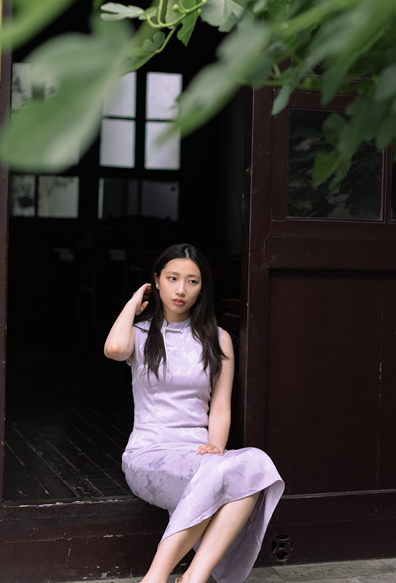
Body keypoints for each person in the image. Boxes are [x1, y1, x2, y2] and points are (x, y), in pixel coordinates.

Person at [104, 244, 284, 583]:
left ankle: (193, 578)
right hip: (150, 454)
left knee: (257, 464)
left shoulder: (218, 339)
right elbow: (114, 349)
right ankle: (155, 577)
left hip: (200, 455)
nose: (181, 290)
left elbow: (220, 406)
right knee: (228, 478)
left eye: (192, 281)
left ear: (202, 288)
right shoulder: (139, 335)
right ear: (156, 281)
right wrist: (133, 303)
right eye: (172, 279)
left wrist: (216, 445)